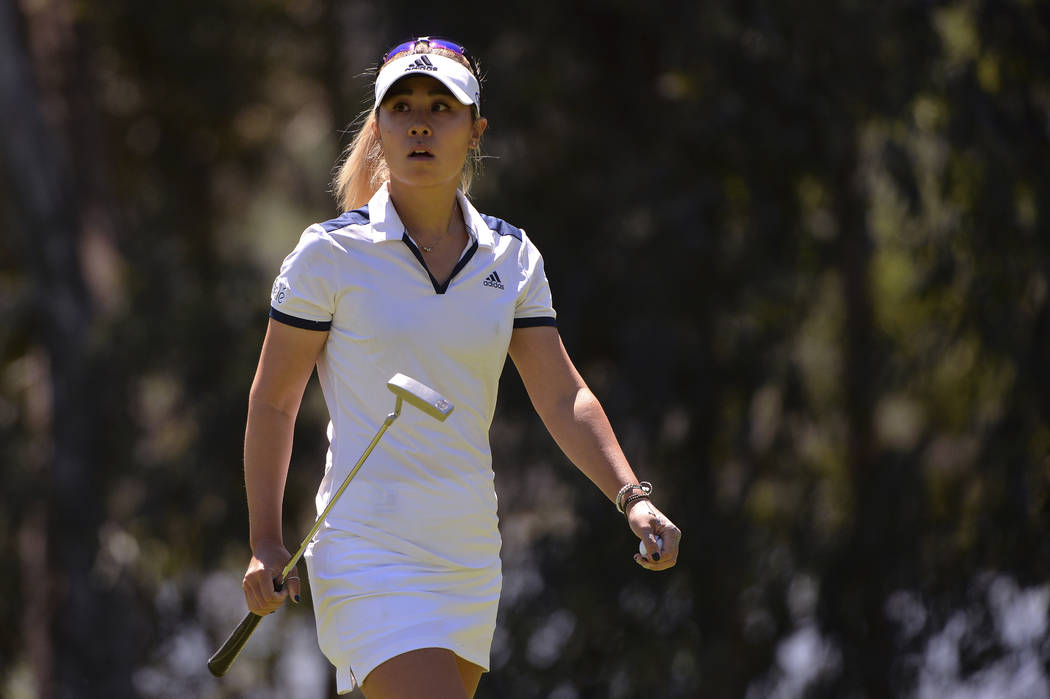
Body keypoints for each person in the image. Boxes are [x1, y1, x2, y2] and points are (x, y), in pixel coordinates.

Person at [240, 36, 682, 699]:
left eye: (442, 106)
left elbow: (563, 395)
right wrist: (265, 539)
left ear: (476, 130)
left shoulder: (511, 256)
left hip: (467, 557)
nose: (421, 122)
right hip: (366, 552)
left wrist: (632, 497)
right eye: (403, 106)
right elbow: (274, 401)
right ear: (379, 129)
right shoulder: (329, 255)